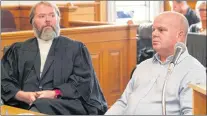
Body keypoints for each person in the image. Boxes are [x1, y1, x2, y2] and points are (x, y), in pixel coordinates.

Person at [1, 1, 107, 115]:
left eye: (52, 15)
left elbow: (82, 82)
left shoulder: (75, 48)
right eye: (42, 16)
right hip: (24, 104)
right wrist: (21, 95)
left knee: (42, 104)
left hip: (63, 104)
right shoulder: (18, 50)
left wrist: (55, 93)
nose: (48, 20)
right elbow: (4, 80)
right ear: (32, 22)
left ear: (58, 19)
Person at [105, 11, 206, 115]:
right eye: (153, 30)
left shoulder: (193, 71)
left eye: (161, 30)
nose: (154, 34)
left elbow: (191, 113)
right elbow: (123, 103)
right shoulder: (142, 66)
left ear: (179, 35)